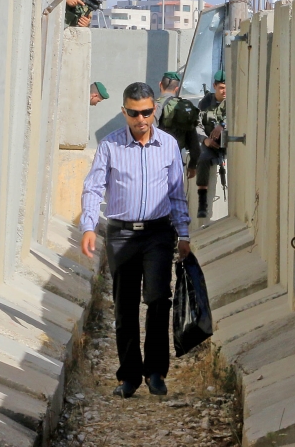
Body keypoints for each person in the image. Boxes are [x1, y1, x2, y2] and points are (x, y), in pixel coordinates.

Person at [80, 82, 191, 399]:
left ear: (153, 110)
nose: (140, 119)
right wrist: (89, 226)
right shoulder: (110, 146)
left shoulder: (168, 145)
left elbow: (176, 194)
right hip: (121, 234)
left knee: (158, 300)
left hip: (158, 233)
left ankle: (155, 372)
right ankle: (129, 376)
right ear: (124, 112)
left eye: (145, 112)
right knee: (125, 306)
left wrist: (183, 233)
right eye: (133, 113)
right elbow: (94, 187)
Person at [155, 72, 199, 180]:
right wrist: (193, 165)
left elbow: (148, 133)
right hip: (177, 161)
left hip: (157, 162)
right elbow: (193, 141)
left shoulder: (156, 106)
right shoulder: (184, 107)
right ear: (177, 88)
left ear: (160, 84)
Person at [196, 70, 227, 218]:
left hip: (231, 144)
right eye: (221, 87)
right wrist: (205, 140)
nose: (224, 91)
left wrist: (223, 125)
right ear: (214, 86)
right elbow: (197, 124)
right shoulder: (205, 102)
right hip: (211, 145)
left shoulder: (233, 100)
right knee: (202, 158)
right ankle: (202, 202)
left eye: (227, 87)